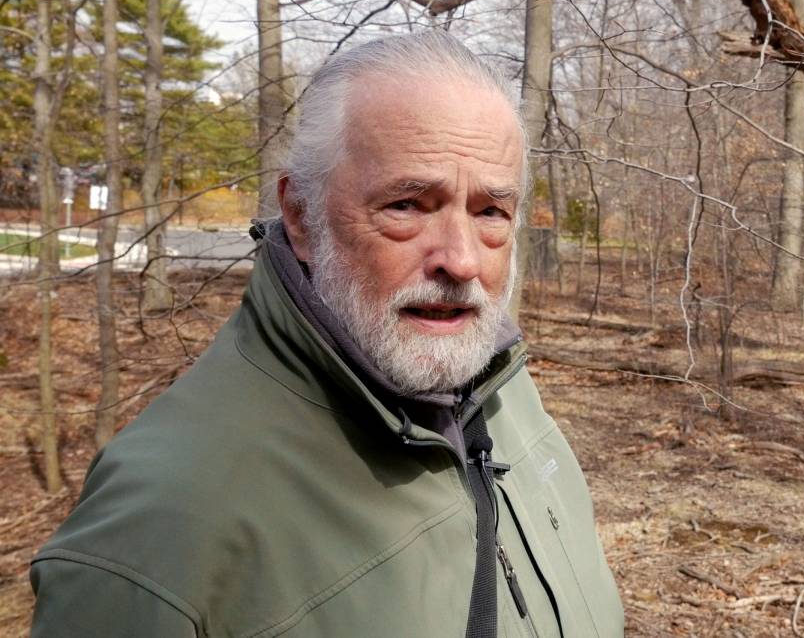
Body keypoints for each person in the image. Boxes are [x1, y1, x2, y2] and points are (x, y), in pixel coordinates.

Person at [30, 31, 624, 637]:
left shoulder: (497, 383)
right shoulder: (157, 530)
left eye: (490, 212)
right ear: (300, 214)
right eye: (408, 205)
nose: (462, 260)